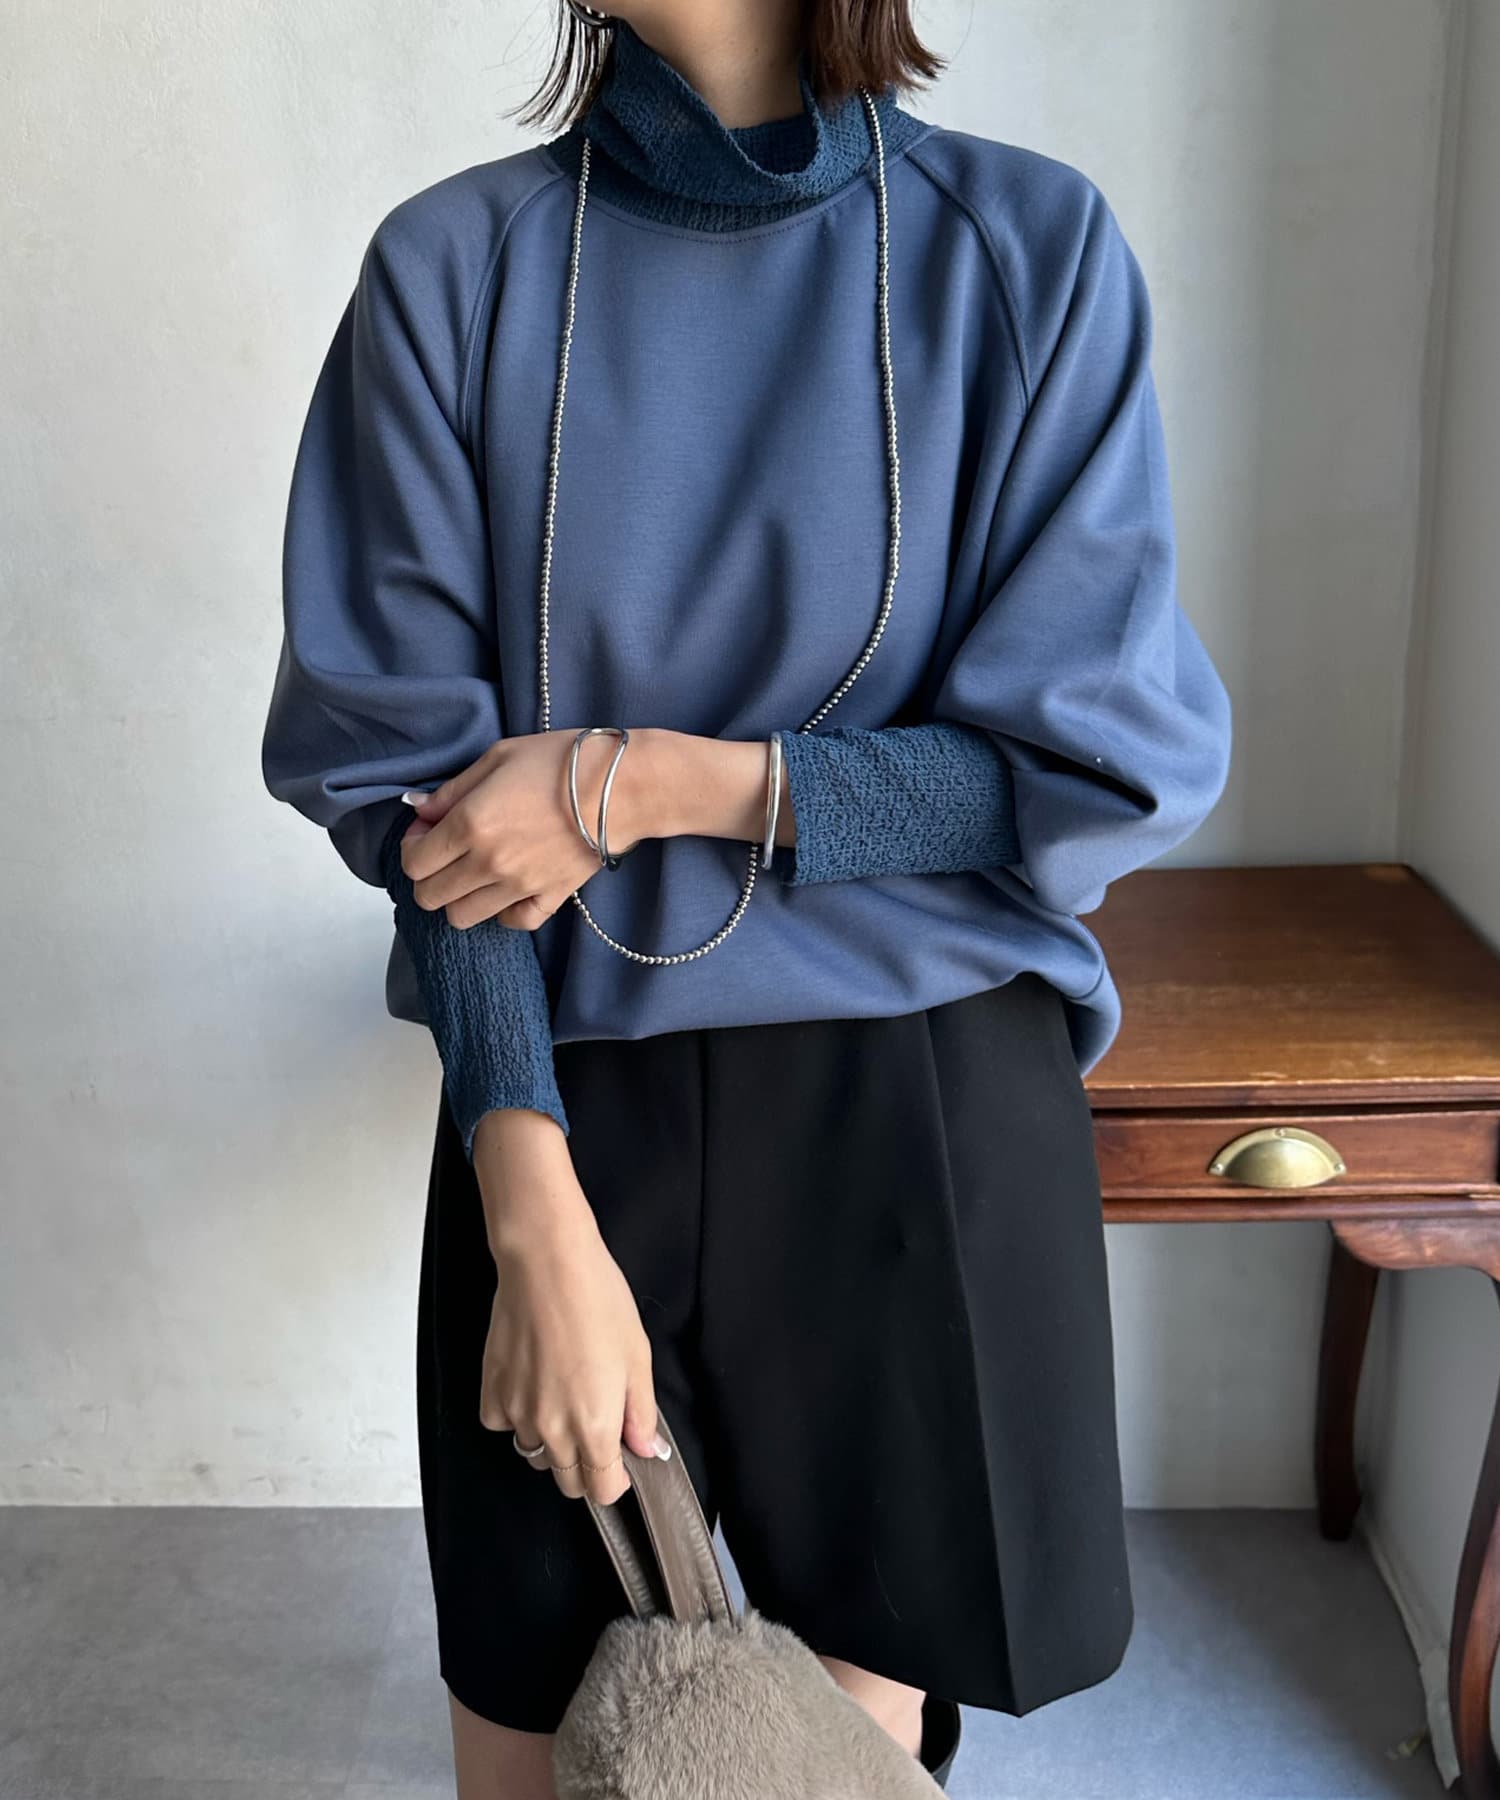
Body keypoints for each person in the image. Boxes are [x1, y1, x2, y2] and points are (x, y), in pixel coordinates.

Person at [260, 1, 1233, 1794]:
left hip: (918, 1107)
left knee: (830, 1762)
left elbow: (1082, 768)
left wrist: (632, 783)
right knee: (534, 1745)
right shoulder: (455, 270)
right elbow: (424, 820)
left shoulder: (1024, 251)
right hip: (561, 1103)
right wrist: (532, 1218)